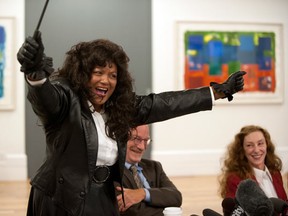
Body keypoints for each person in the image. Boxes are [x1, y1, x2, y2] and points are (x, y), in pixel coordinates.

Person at [16, 30, 246, 216]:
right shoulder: (66, 99)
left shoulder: (120, 107)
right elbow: (45, 99)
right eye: (98, 72)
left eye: (113, 75)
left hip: (102, 196)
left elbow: (165, 103)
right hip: (59, 199)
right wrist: (35, 74)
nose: (106, 80)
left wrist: (218, 91)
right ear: (82, 74)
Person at [114, 124, 182, 216]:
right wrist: (170, 212)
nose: (142, 147)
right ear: (121, 139)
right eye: (137, 139)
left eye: (146, 140)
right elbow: (133, 212)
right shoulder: (112, 171)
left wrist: (143, 193)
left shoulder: (155, 167)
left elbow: (176, 197)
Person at [218, 125, 287, 202]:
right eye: (249, 145)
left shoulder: (275, 172)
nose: (256, 150)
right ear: (242, 149)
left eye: (260, 143)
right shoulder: (235, 180)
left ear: (267, 145)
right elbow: (233, 211)